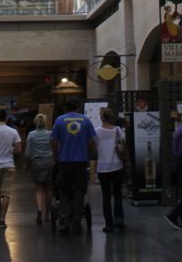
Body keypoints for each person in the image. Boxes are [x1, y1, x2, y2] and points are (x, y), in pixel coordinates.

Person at [51, 100, 94, 234]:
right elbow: (92, 141)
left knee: (63, 190)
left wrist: (56, 156)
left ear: (66, 108)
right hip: (81, 161)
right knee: (79, 191)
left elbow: (54, 141)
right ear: (77, 107)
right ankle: (76, 223)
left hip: (65, 161)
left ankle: (64, 221)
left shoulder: (59, 120)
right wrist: (89, 154)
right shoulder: (85, 120)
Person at [94, 108, 127, 232]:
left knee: (106, 197)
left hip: (103, 168)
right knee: (117, 195)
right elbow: (124, 145)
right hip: (117, 166)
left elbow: (93, 148)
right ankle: (119, 221)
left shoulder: (96, 132)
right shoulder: (118, 130)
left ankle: (109, 224)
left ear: (101, 118)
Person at [24, 113, 55, 225]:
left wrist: (27, 164)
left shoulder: (31, 135)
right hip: (48, 162)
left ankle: (39, 211)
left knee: (39, 189)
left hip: (36, 163)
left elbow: (28, 153)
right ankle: (47, 214)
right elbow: (54, 147)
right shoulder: (50, 134)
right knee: (48, 189)